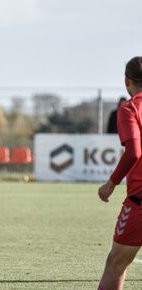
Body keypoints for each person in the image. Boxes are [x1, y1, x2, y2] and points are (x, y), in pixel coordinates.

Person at [98, 56, 142, 290]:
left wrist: (111, 183)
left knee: (116, 263)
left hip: (140, 202)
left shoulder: (130, 108)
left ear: (127, 82)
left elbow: (134, 152)